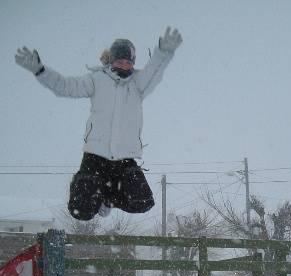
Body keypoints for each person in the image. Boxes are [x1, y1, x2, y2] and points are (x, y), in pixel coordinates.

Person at [15, 27, 182, 220]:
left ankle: (107, 199)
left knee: (143, 202)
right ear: (111, 60)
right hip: (95, 156)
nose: (125, 65)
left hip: (124, 158)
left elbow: (155, 70)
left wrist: (163, 52)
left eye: (129, 62)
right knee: (81, 212)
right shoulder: (97, 80)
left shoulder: (138, 83)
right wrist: (40, 70)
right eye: (120, 60)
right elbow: (65, 86)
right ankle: (82, 184)